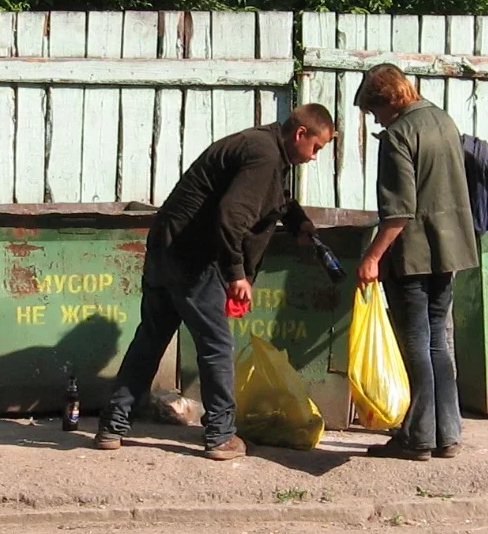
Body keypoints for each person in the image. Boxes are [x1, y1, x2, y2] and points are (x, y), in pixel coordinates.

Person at [94, 103, 336, 460]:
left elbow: (275, 197)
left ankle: (112, 426)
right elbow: (231, 216)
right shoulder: (265, 155)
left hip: (166, 246)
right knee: (217, 345)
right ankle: (221, 435)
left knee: (151, 338)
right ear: (301, 134)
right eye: (316, 147)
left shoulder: (262, 147)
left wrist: (298, 220)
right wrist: (237, 274)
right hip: (194, 257)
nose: (315, 157)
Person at [354, 63, 478, 460]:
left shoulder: (398, 135)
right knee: (438, 341)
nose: (376, 119)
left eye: (374, 112)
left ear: (388, 102)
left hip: (413, 254)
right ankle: (448, 434)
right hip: (450, 248)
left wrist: (373, 256)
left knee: (416, 344)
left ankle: (418, 436)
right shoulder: (443, 120)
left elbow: (400, 211)